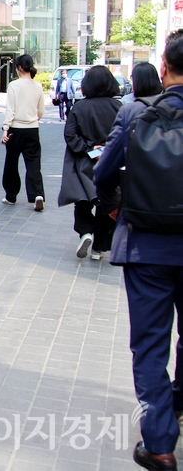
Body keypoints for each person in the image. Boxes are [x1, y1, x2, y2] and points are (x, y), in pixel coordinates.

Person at [95, 29, 183, 471]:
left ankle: (161, 445)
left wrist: (117, 209)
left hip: (146, 247)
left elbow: (103, 172)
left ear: (163, 68)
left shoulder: (136, 116)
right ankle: (178, 403)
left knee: (149, 347)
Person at [57, 66, 121, 259]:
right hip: (110, 162)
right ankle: (99, 248)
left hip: (83, 162)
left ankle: (86, 232)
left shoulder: (79, 107)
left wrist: (88, 148)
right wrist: (106, 149)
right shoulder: (118, 107)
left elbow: (69, 134)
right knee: (107, 203)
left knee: (83, 200)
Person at [0, 54, 47, 212]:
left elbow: (10, 111)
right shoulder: (38, 86)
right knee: (33, 162)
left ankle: (11, 196)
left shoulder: (14, 85)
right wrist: (33, 119)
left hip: (15, 129)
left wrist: (5, 129)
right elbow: (40, 111)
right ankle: (37, 195)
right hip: (33, 129)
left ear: (19, 68)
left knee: (12, 163)